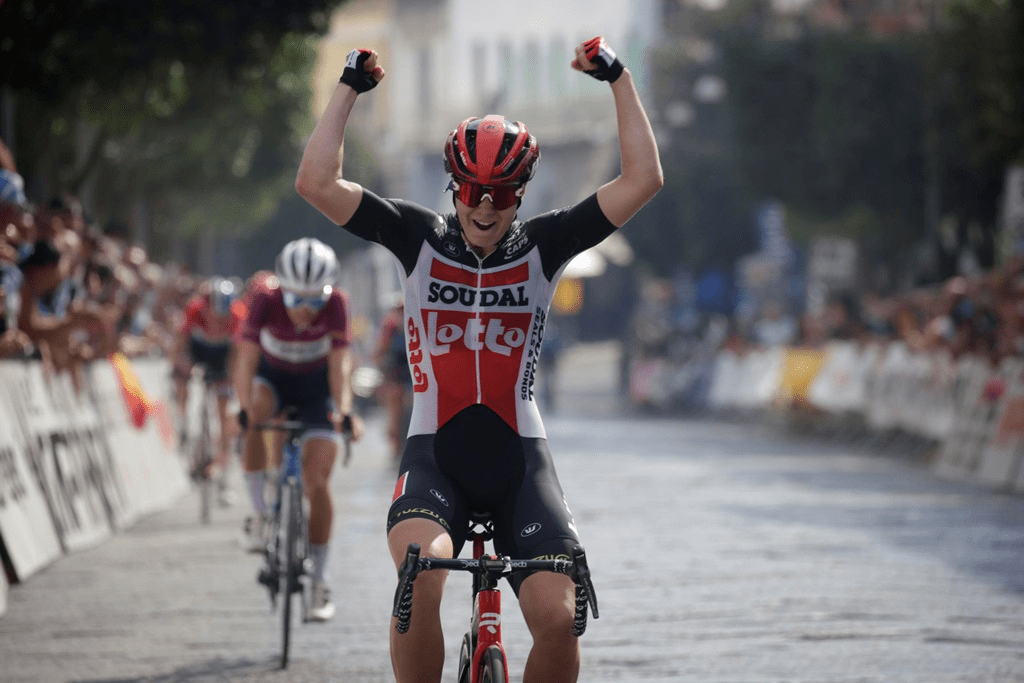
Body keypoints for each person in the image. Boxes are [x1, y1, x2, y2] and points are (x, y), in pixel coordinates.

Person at [296, 36, 662, 683]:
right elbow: (316, 182)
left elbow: (643, 180)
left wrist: (618, 78)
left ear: (522, 191)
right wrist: (349, 88)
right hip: (435, 454)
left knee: (559, 615)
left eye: (500, 192)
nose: (484, 206)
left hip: (520, 459)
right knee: (423, 576)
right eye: (471, 190)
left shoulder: (545, 246)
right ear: (453, 186)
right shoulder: (418, 236)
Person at [233, 237, 363, 623]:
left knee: (317, 483)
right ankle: (259, 515)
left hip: (316, 390)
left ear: (328, 294)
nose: (305, 310)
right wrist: (242, 408)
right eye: (295, 301)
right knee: (255, 411)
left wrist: (344, 411)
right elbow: (245, 360)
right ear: (281, 290)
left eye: (314, 301)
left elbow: (341, 364)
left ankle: (320, 581)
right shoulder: (263, 300)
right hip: (273, 382)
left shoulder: (338, 303)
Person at [173, 276, 246, 500]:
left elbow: (238, 355)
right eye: (213, 314)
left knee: (224, 412)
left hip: (223, 357)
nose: (217, 320)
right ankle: (184, 419)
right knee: (181, 377)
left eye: (222, 317)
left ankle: (224, 467)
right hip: (199, 350)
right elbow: (181, 343)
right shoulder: (194, 310)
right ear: (206, 307)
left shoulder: (238, 314)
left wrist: (232, 381)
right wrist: (179, 368)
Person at [373, 293, 413, 461]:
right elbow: (378, 354)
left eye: (405, 310)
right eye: (399, 310)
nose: (402, 314)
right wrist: (383, 380)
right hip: (395, 378)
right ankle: (395, 445)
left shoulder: (420, 327)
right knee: (393, 410)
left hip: (415, 379)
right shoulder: (389, 328)